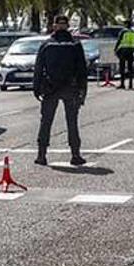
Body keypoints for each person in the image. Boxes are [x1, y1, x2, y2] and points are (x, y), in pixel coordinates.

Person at [33, 15, 88, 166]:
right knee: (72, 122)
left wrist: (36, 88)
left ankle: (42, 155)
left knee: (46, 122)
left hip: (51, 89)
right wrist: (83, 89)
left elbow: (39, 68)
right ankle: (75, 155)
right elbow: (82, 69)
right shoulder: (74, 45)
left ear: (54, 25)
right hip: (70, 88)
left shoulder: (47, 45)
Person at [115, 20, 134, 89]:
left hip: (123, 51)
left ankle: (122, 84)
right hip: (131, 51)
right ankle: (130, 84)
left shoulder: (123, 31)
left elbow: (119, 40)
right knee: (130, 68)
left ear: (125, 25)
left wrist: (115, 49)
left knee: (122, 68)